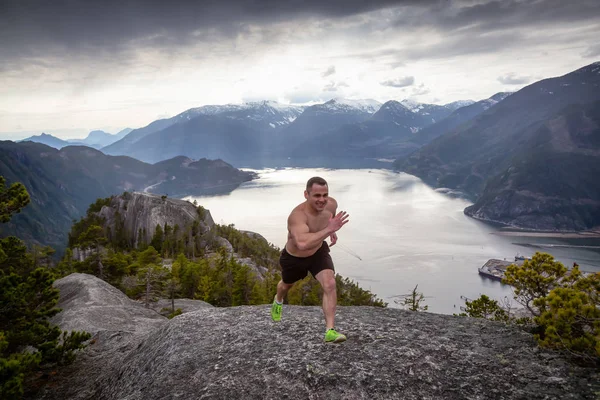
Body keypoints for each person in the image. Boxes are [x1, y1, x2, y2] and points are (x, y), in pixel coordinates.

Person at [270, 176, 350, 343]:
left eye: (325, 195)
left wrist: (331, 230)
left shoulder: (331, 204)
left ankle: (330, 331)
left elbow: (329, 217)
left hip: (318, 253)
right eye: (316, 196)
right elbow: (302, 243)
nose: (322, 200)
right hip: (294, 258)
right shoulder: (297, 216)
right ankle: (278, 301)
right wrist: (329, 229)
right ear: (306, 194)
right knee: (286, 285)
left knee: (330, 283)